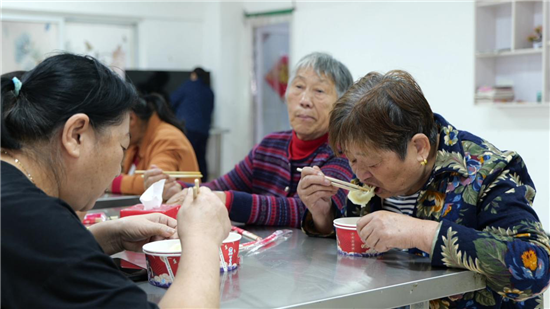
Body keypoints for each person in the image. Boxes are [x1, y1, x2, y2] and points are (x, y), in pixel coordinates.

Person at [297, 70, 550, 308]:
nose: (360, 175)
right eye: (352, 160)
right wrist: (323, 216)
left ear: (419, 147)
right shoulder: (370, 178)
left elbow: (535, 269)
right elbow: (357, 252)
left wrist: (420, 233)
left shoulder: (487, 171)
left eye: (372, 163)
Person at [1, 54, 231, 308]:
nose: (118, 169)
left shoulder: (16, 198)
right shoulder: (35, 219)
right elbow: (48, 244)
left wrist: (104, 238)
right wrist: (203, 241)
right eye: (123, 147)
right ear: (76, 135)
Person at [145, 52, 355, 228]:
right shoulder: (270, 145)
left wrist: (227, 201)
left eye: (319, 91)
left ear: (341, 104)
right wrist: (179, 188)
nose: (305, 100)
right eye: (299, 87)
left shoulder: (344, 153)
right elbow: (221, 185)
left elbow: (307, 210)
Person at [109, 93, 199, 195]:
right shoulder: (137, 142)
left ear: (132, 118)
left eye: (115, 123)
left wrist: (108, 183)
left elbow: (157, 183)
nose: (113, 131)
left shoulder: (167, 138)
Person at [170, 67, 214, 181]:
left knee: (187, 158)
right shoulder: (209, 91)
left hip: (188, 128)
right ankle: (204, 184)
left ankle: (187, 184)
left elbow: (172, 100)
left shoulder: (188, 85)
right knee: (201, 158)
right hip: (204, 130)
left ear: (194, 75)